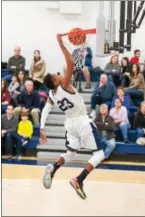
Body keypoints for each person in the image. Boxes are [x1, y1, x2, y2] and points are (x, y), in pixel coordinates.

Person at [40, 34, 105, 200]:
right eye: (56, 76)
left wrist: (41, 128)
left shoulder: (52, 93)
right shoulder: (64, 84)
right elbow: (70, 63)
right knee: (99, 154)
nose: (59, 75)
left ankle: (53, 168)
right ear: (56, 82)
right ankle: (79, 179)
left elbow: (46, 109)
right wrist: (61, 44)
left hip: (69, 124)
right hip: (82, 121)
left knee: (70, 154)